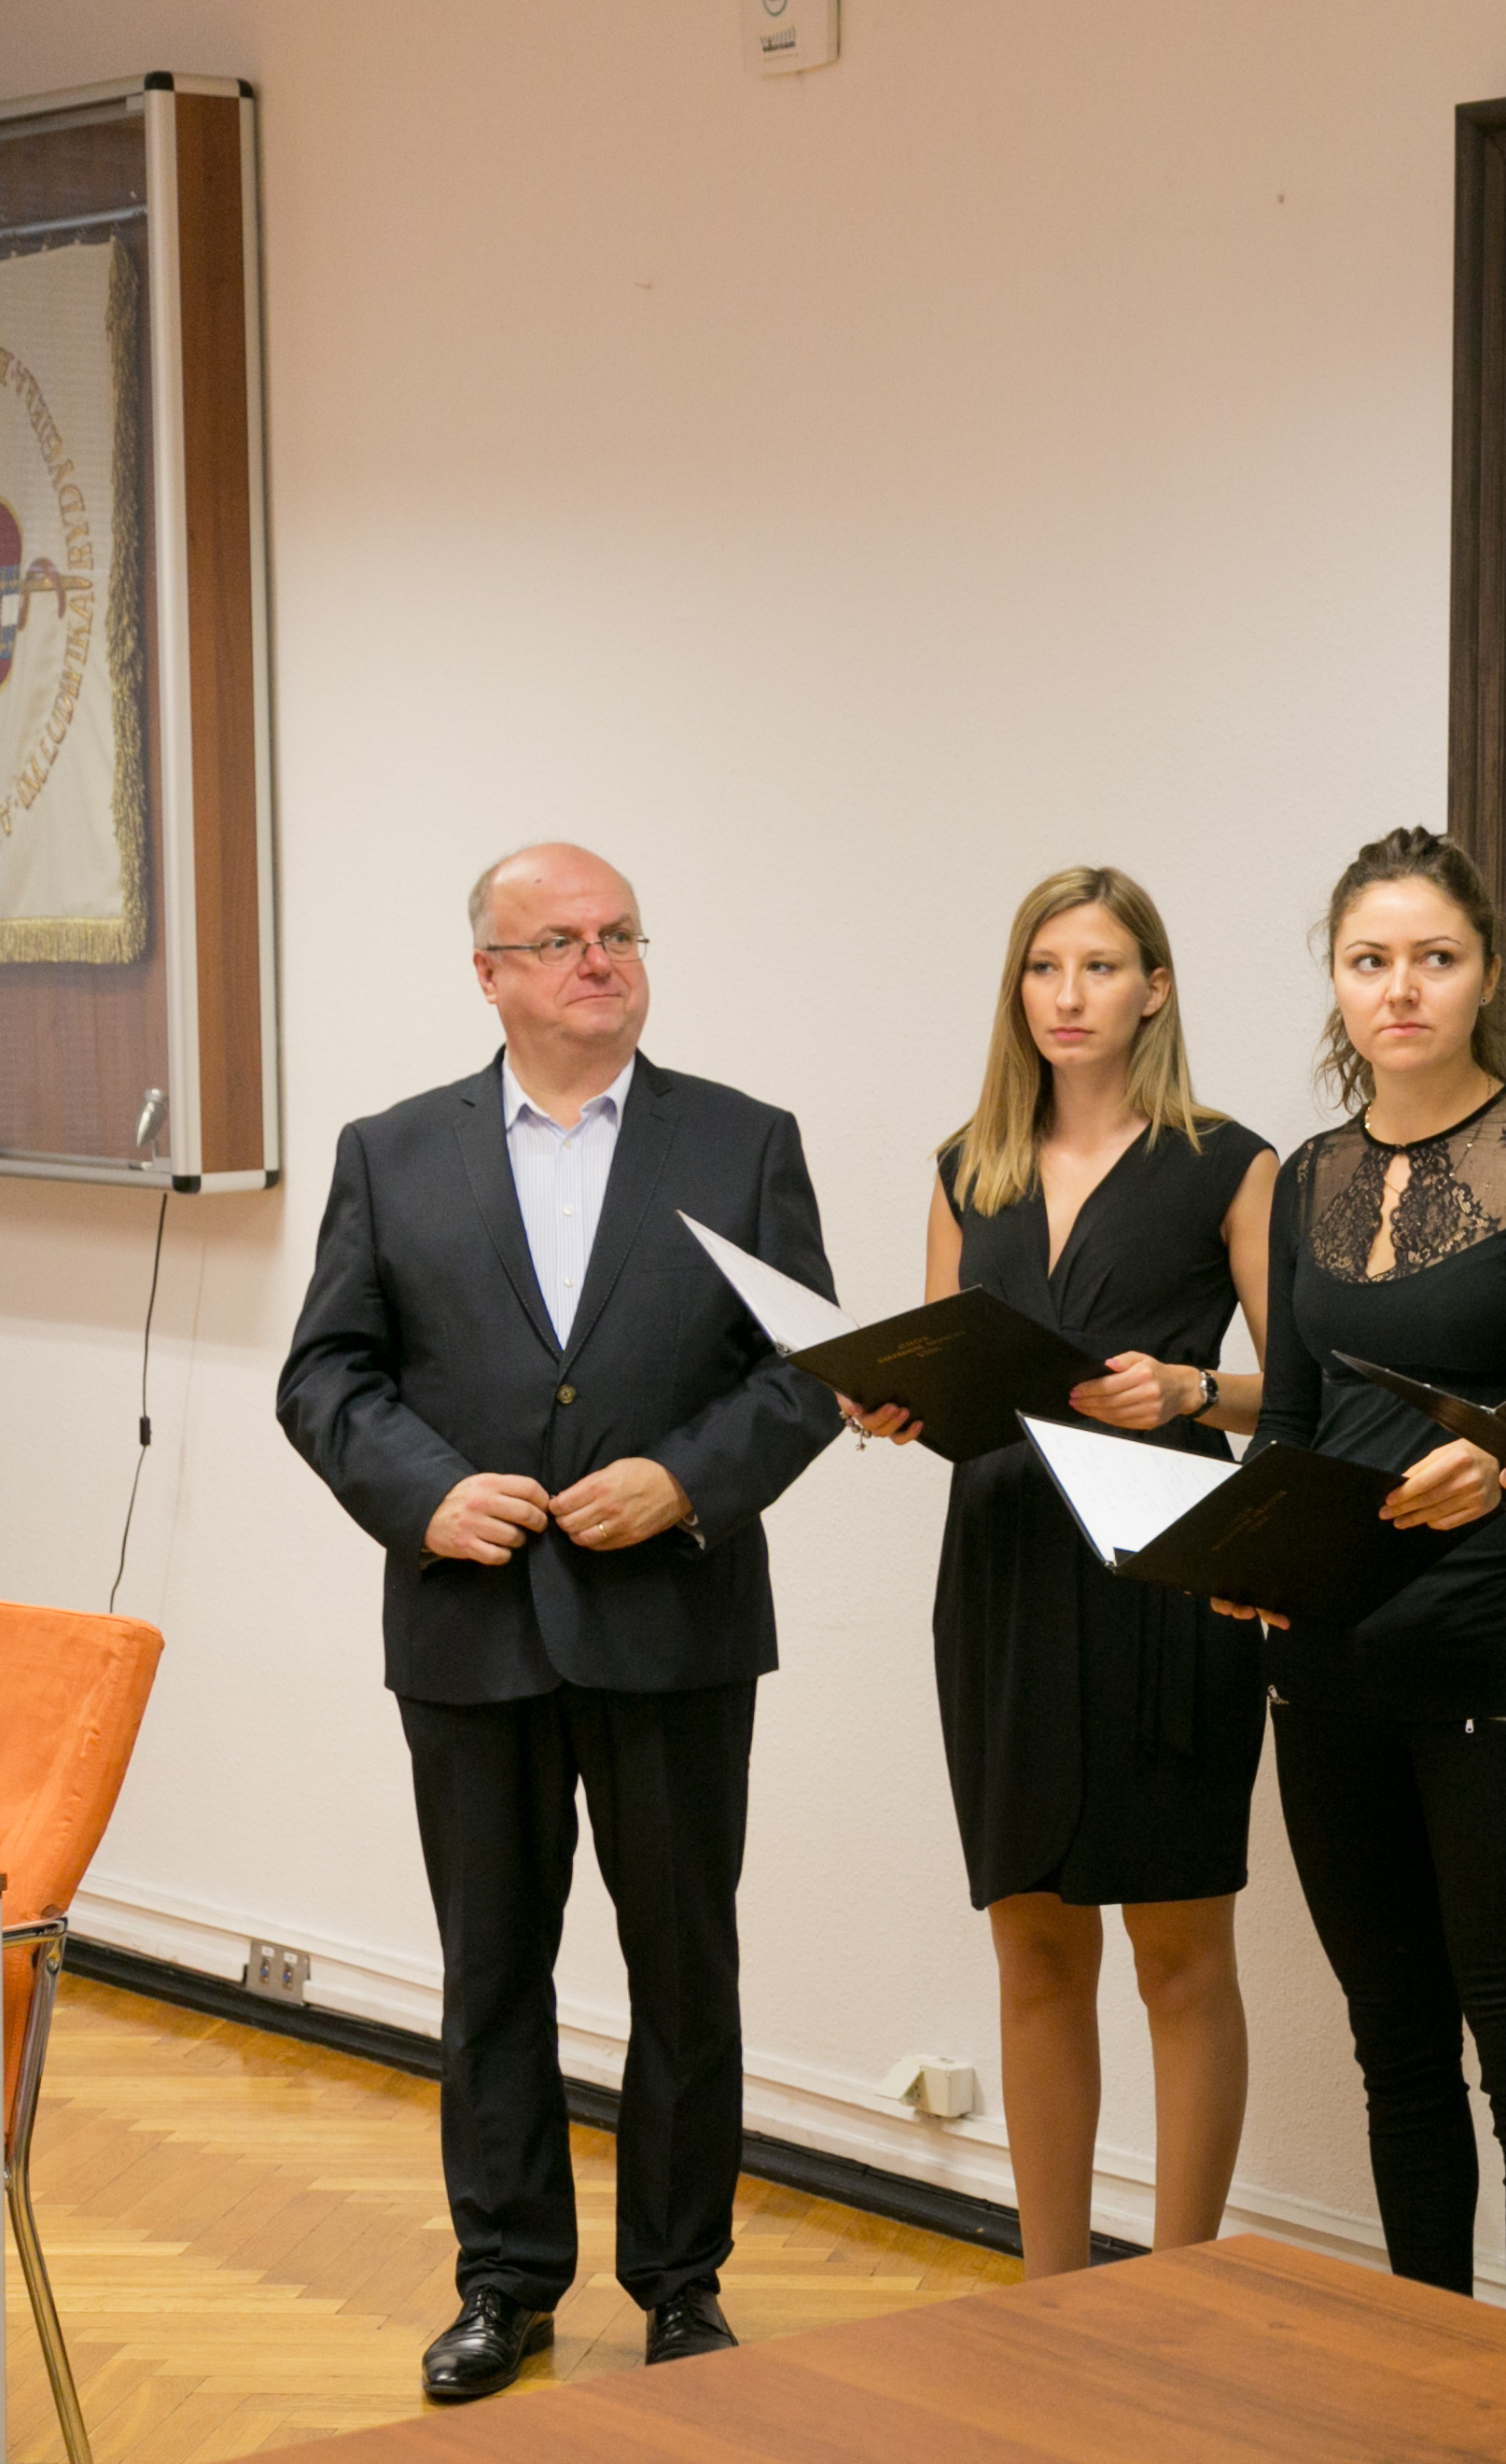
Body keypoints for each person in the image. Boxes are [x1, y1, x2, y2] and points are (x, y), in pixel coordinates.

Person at [276, 844, 843, 2400]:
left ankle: (681, 2284)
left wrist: (686, 1481)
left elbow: (808, 1373)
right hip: (470, 1628)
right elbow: (325, 1375)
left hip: (675, 1623)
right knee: (491, 1972)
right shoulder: (392, 1153)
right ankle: (505, 2281)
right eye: (560, 941)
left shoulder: (743, 1142)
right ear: (490, 975)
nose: (599, 961)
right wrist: (427, 1495)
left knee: (685, 1967)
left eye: (620, 935)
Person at [1241, 827, 1506, 2328]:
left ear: (1486, 974)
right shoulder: (1306, 1178)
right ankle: (1425, 2376)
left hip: (1502, 1672)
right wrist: (1247, 1555)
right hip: (1327, 1673)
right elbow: (1289, 1426)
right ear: (1338, 982)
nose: (1401, 988)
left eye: (1435, 957)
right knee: (1396, 2051)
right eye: (1371, 961)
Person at [841, 866, 1276, 2280]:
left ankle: (1181, 2287)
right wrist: (894, 1404)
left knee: (1180, 1954)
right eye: (1044, 967)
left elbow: (1304, 1394)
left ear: (1155, 988)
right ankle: (1049, 2295)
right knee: (1033, 1946)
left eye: (1098, 966)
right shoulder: (967, 1167)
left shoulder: (1231, 1163)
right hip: (1008, 1571)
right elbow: (946, 1373)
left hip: (1167, 1573)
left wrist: (1192, 1391)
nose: (1068, 995)